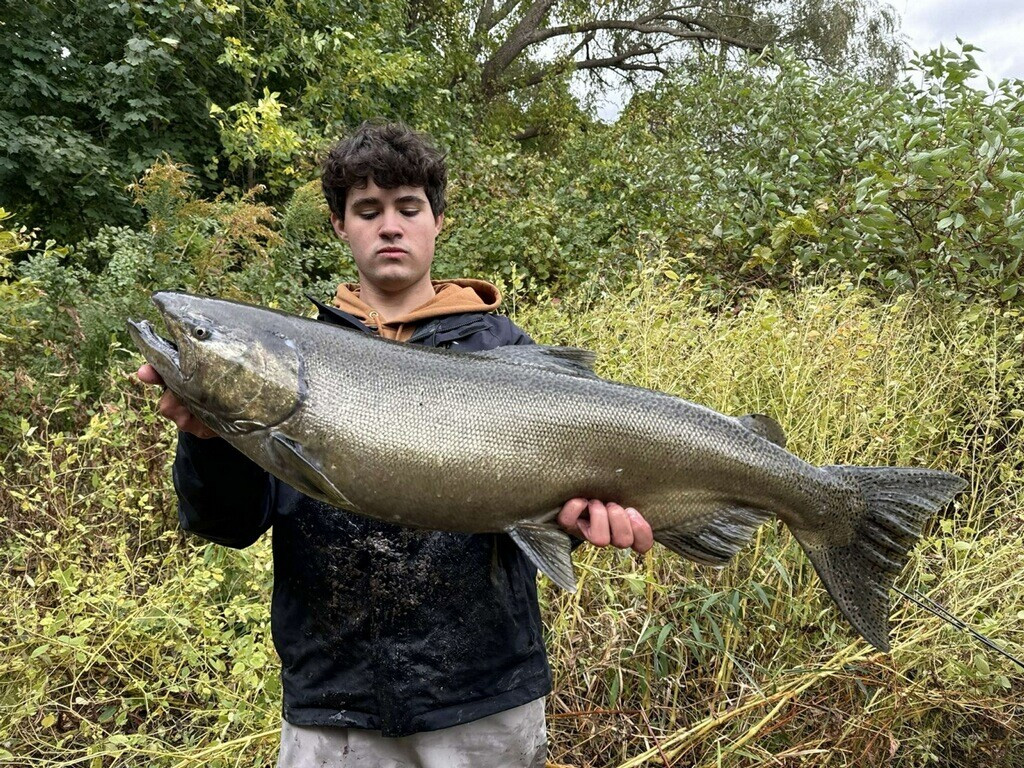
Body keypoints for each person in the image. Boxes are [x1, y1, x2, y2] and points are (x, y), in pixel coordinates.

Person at [137, 121, 654, 768]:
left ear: (436, 221)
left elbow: (555, 513)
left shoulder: (508, 354)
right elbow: (227, 525)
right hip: (334, 712)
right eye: (367, 210)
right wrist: (208, 439)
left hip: (484, 705)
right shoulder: (289, 363)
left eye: (408, 208)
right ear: (339, 225)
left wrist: (580, 525)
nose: (389, 225)